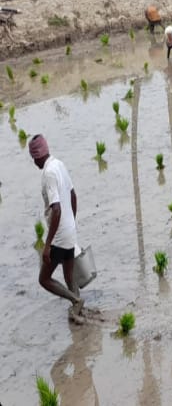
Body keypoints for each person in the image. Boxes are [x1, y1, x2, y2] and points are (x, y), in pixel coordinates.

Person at [29, 134, 85, 322]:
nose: (34, 163)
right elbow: (73, 196)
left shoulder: (48, 174)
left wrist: (48, 244)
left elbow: (57, 210)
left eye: (33, 158)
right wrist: (72, 225)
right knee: (69, 277)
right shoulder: (59, 165)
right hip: (69, 231)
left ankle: (76, 301)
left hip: (59, 235)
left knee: (44, 279)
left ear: (37, 156)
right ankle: (79, 312)